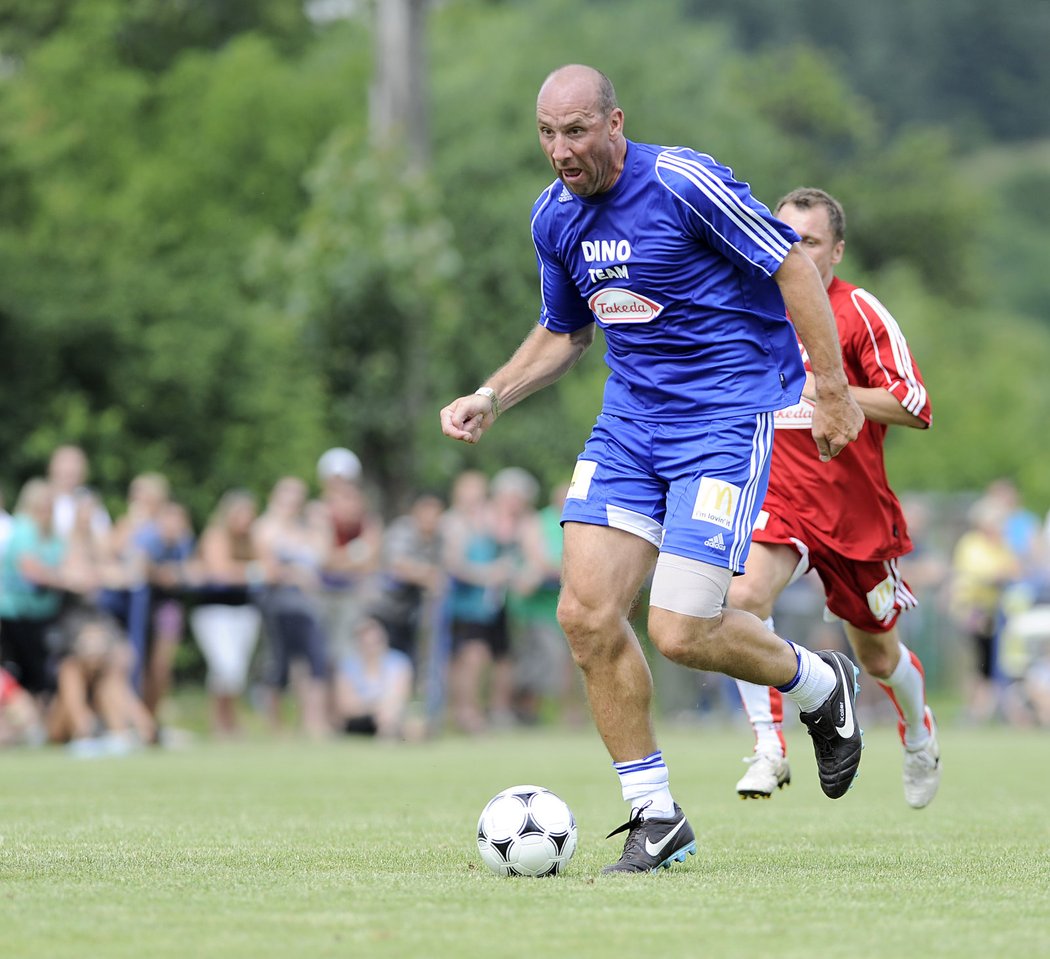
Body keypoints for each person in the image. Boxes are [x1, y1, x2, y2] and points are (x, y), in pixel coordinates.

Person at [440, 65, 865, 874]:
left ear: (614, 123)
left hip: (722, 419)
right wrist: (493, 394)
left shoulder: (682, 181)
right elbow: (564, 333)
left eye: (575, 131)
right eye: (546, 133)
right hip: (630, 426)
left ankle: (819, 685)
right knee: (586, 615)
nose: (560, 150)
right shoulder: (553, 217)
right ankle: (656, 815)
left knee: (679, 630)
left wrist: (833, 387)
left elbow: (793, 269)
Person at [726, 188, 939, 809]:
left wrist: (833, 389)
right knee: (740, 597)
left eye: (809, 241)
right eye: (783, 235)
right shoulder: (751, 305)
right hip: (777, 498)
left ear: (836, 251)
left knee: (876, 655)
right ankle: (770, 746)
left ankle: (919, 733)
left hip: (853, 515)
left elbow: (915, 405)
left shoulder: (859, 311)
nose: (792, 250)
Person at [189, 489, 265, 737]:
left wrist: (246, 572)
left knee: (233, 672)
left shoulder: (253, 539)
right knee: (227, 666)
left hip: (244, 611)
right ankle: (223, 722)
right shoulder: (215, 536)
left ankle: (225, 725)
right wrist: (252, 572)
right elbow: (220, 571)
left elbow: (271, 567)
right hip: (214, 612)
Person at [333, 615, 415, 739]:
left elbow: (401, 697)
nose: (371, 646)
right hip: (360, 721)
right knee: (387, 716)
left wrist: (383, 709)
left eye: (375, 641)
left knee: (407, 722)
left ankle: (389, 734)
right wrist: (376, 708)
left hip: (391, 716)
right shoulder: (348, 666)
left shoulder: (398, 662)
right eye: (366, 642)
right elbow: (346, 707)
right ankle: (388, 737)